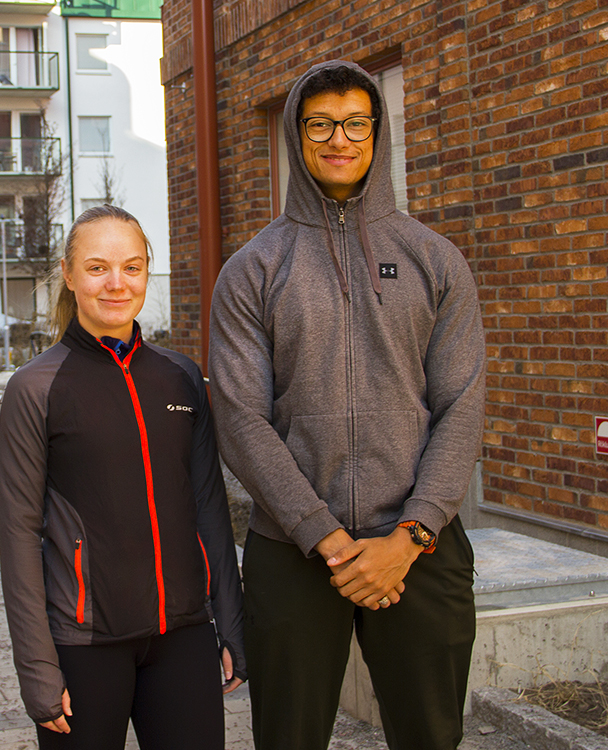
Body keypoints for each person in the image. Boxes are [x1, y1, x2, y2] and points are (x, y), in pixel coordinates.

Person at [208, 61, 486, 750]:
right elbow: (241, 418)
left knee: (431, 737)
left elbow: (463, 405)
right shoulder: (253, 269)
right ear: (298, 137)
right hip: (294, 550)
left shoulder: (435, 260)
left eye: (356, 122)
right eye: (322, 123)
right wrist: (328, 540)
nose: (340, 138)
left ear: (377, 131)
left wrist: (411, 536)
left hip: (418, 548)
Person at [0, 205, 245, 750]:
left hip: (182, 635)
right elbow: (17, 536)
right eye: (97, 267)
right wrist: (37, 666)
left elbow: (208, 506)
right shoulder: (35, 389)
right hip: (84, 643)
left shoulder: (180, 377)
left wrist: (231, 620)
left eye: (132, 268)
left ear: (147, 273)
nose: (116, 284)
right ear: (68, 274)